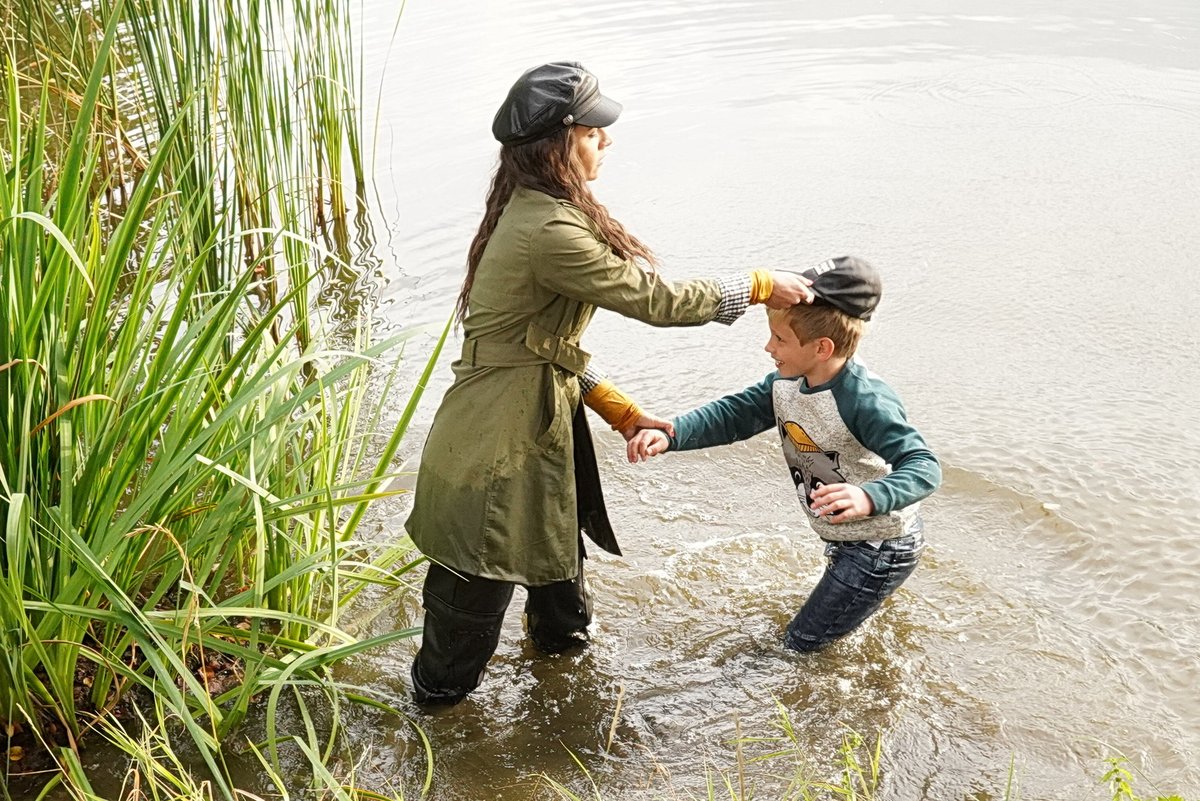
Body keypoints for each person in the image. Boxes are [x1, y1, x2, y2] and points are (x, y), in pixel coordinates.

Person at [404, 61, 814, 706]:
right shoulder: (549, 230)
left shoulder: (535, 208)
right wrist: (759, 285)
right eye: (596, 132)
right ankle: (430, 733)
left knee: (563, 617)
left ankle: (564, 714)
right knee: (459, 642)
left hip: (532, 428)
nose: (607, 142)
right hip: (493, 451)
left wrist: (619, 410)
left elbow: (537, 347)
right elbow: (658, 300)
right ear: (560, 140)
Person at [627, 256, 941, 651]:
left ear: (822, 348)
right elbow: (734, 414)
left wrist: (868, 497)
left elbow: (924, 466)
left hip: (881, 545)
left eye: (780, 339)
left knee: (797, 645)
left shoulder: (865, 400)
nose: (767, 347)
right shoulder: (787, 381)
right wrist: (672, 435)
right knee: (836, 620)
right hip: (849, 536)